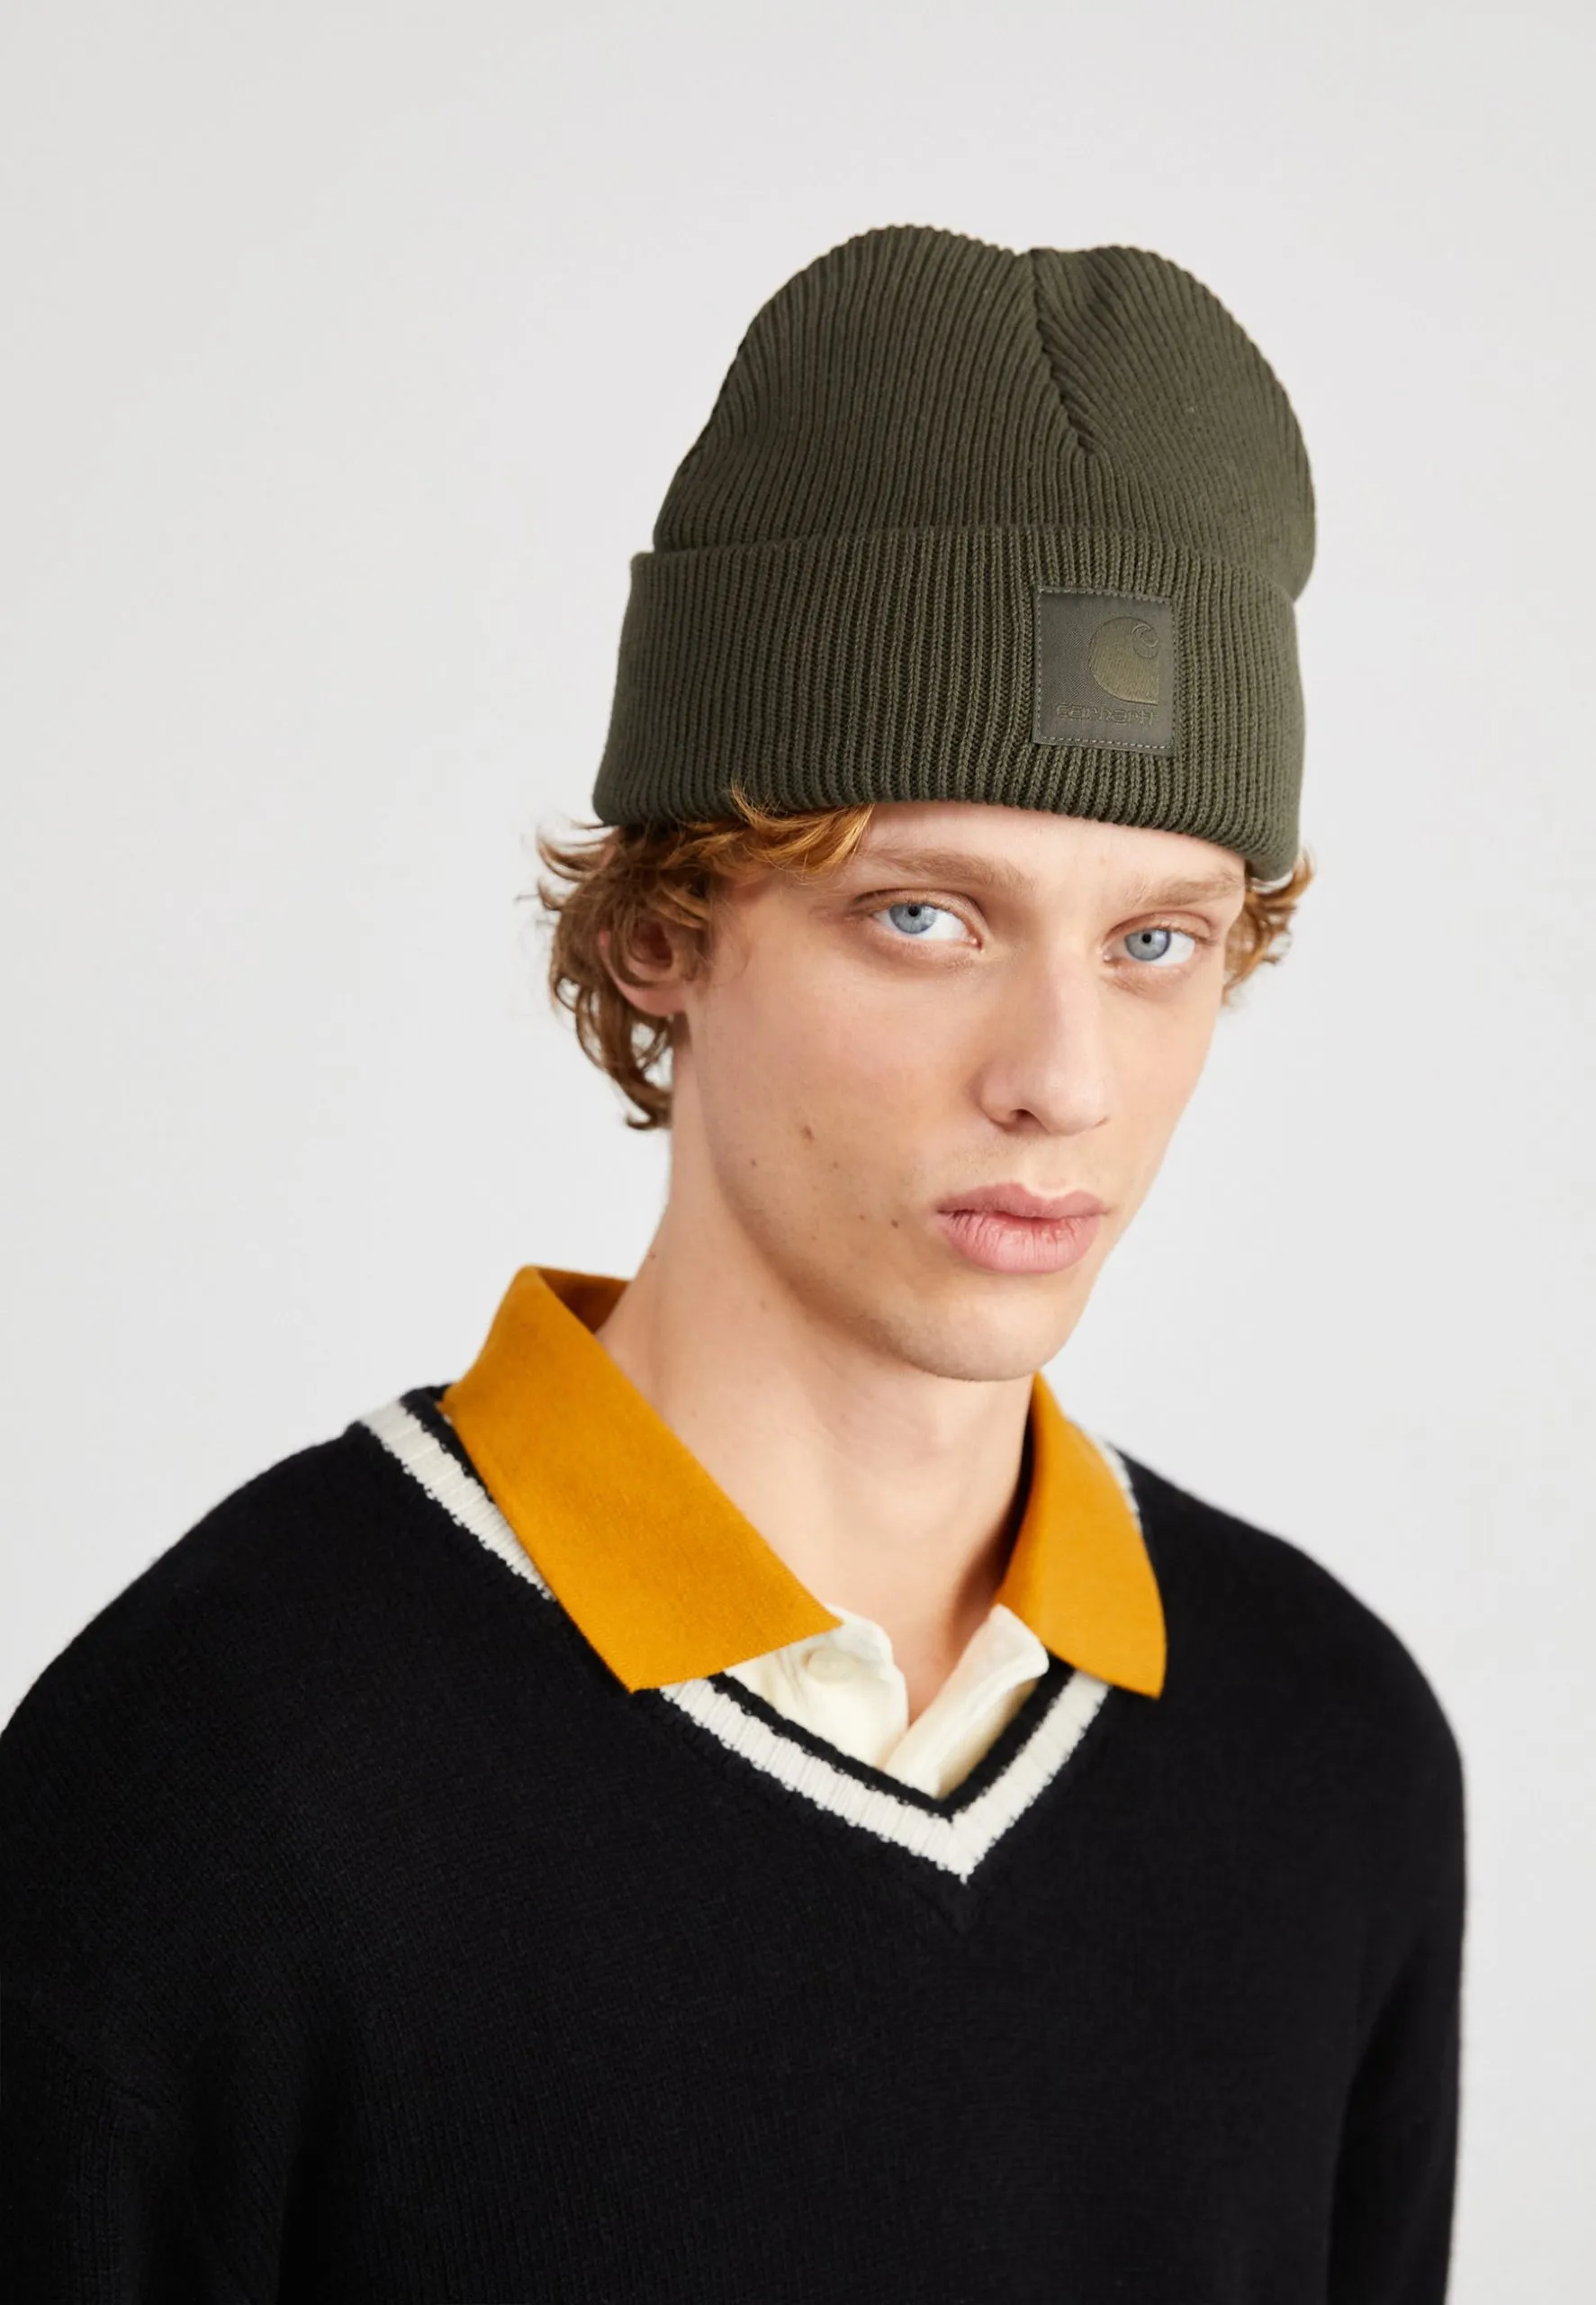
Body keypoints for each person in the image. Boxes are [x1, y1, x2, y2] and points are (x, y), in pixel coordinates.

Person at [1, 224, 1465, 2302]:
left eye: (1157, 939)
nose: (1060, 1076)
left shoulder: (1327, 1751)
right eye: (924, 915)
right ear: (660, 931)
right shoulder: (218, 1765)